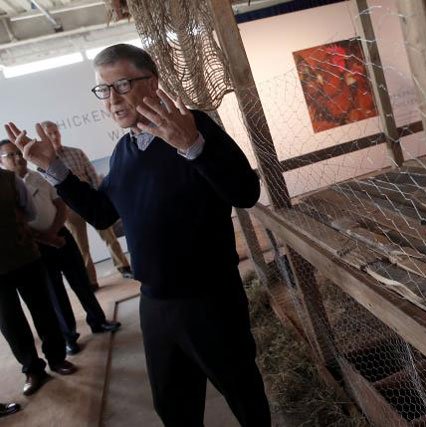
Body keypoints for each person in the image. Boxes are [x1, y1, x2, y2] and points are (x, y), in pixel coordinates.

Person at [5, 44, 270, 426]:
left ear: (153, 83)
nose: (112, 100)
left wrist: (192, 147)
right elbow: (102, 213)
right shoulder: (126, 150)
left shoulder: (193, 126)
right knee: (173, 405)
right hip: (154, 303)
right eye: (103, 89)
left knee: (243, 394)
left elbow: (245, 192)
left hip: (210, 298)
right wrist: (53, 167)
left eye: (123, 84)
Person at [0, 140, 121, 355]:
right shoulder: (7, 186)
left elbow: (60, 205)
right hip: (36, 246)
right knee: (55, 293)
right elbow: (16, 222)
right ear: (2, 161)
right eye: (10, 155)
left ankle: (98, 321)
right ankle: (69, 336)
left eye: (18, 153)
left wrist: (55, 233)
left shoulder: (39, 175)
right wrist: (46, 239)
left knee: (81, 281)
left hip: (61, 236)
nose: (18, 158)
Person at [0, 168, 76, 396]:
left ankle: (57, 358)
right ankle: (32, 370)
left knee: (43, 310)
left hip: (25, 257)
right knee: (10, 322)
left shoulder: (9, 179)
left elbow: (30, 213)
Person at [41, 121, 133, 290]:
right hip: (69, 210)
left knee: (110, 238)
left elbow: (92, 175)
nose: (54, 136)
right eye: (50, 134)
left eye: (56, 132)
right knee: (81, 246)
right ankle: (91, 280)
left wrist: (100, 199)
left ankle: (124, 267)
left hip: (92, 202)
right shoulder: (44, 162)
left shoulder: (75, 153)